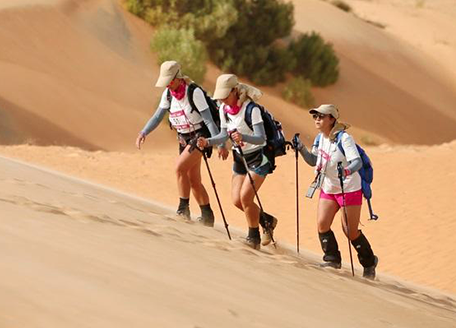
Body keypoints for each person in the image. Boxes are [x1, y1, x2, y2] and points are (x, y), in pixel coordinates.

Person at [291, 104, 378, 279]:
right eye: (315, 116)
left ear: (332, 119)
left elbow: (357, 162)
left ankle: (369, 261)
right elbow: (313, 160)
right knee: (322, 224)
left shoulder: (344, 139)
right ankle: (332, 259)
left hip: (349, 189)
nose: (317, 119)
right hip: (329, 187)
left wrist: (347, 171)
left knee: (349, 231)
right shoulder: (320, 138)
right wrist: (301, 149)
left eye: (321, 116)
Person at [136, 61, 226, 226]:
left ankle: (183, 210)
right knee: (193, 180)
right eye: (166, 82)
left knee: (179, 168)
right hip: (183, 139)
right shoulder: (168, 94)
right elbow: (157, 117)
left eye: (170, 81)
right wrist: (143, 132)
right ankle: (207, 216)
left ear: (178, 78)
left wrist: (219, 143)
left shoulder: (194, 92)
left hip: (200, 137)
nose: (168, 85)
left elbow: (209, 120)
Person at [196, 74, 278, 250]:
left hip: (259, 157)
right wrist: (208, 142)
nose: (222, 100)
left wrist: (243, 137)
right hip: (239, 158)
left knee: (246, 197)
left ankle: (253, 238)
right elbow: (223, 135)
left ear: (235, 91)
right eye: (220, 96)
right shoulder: (223, 109)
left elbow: (261, 138)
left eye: (225, 95)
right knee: (237, 200)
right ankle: (267, 221)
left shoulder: (251, 110)